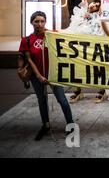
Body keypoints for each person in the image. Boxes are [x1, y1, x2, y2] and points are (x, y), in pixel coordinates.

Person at [19, 11, 75, 141]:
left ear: (45, 22)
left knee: (62, 100)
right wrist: (39, 76)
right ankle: (45, 125)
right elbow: (29, 59)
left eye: (42, 21)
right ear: (31, 22)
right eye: (36, 21)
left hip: (54, 74)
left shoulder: (51, 35)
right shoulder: (26, 40)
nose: (39, 24)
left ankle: (71, 124)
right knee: (42, 100)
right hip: (37, 76)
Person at [65, 0, 109, 103]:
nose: (94, 5)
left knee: (98, 68)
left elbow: (102, 31)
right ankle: (78, 90)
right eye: (94, 3)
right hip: (79, 46)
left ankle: (102, 90)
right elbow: (71, 28)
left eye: (97, 6)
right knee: (77, 67)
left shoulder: (99, 17)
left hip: (93, 47)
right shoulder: (79, 13)